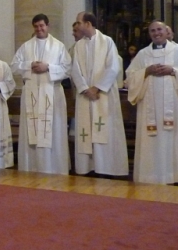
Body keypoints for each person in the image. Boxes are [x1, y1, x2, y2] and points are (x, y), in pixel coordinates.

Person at [11, 14, 72, 174]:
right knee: (32, 130)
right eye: (36, 26)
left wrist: (49, 67)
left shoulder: (58, 46)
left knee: (52, 130)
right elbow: (14, 66)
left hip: (51, 94)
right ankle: (31, 166)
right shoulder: (26, 46)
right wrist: (29, 64)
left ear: (48, 26)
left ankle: (54, 168)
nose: (39, 29)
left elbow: (68, 69)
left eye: (42, 26)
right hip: (32, 95)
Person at [71, 11, 128, 176]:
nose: (77, 25)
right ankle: (88, 167)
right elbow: (74, 70)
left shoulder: (107, 41)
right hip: (85, 96)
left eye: (79, 22)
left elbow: (113, 67)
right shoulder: (79, 45)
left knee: (104, 129)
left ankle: (106, 168)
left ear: (88, 24)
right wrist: (84, 88)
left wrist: (96, 88)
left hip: (103, 95)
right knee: (86, 130)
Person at [125, 20, 178, 183]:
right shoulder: (143, 54)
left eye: (159, 29)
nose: (156, 33)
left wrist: (173, 70)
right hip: (149, 109)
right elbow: (129, 78)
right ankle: (150, 176)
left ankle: (172, 176)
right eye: (153, 31)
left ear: (166, 31)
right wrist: (146, 71)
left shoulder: (176, 51)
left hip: (173, 108)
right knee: (150, 141)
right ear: (150, 34)